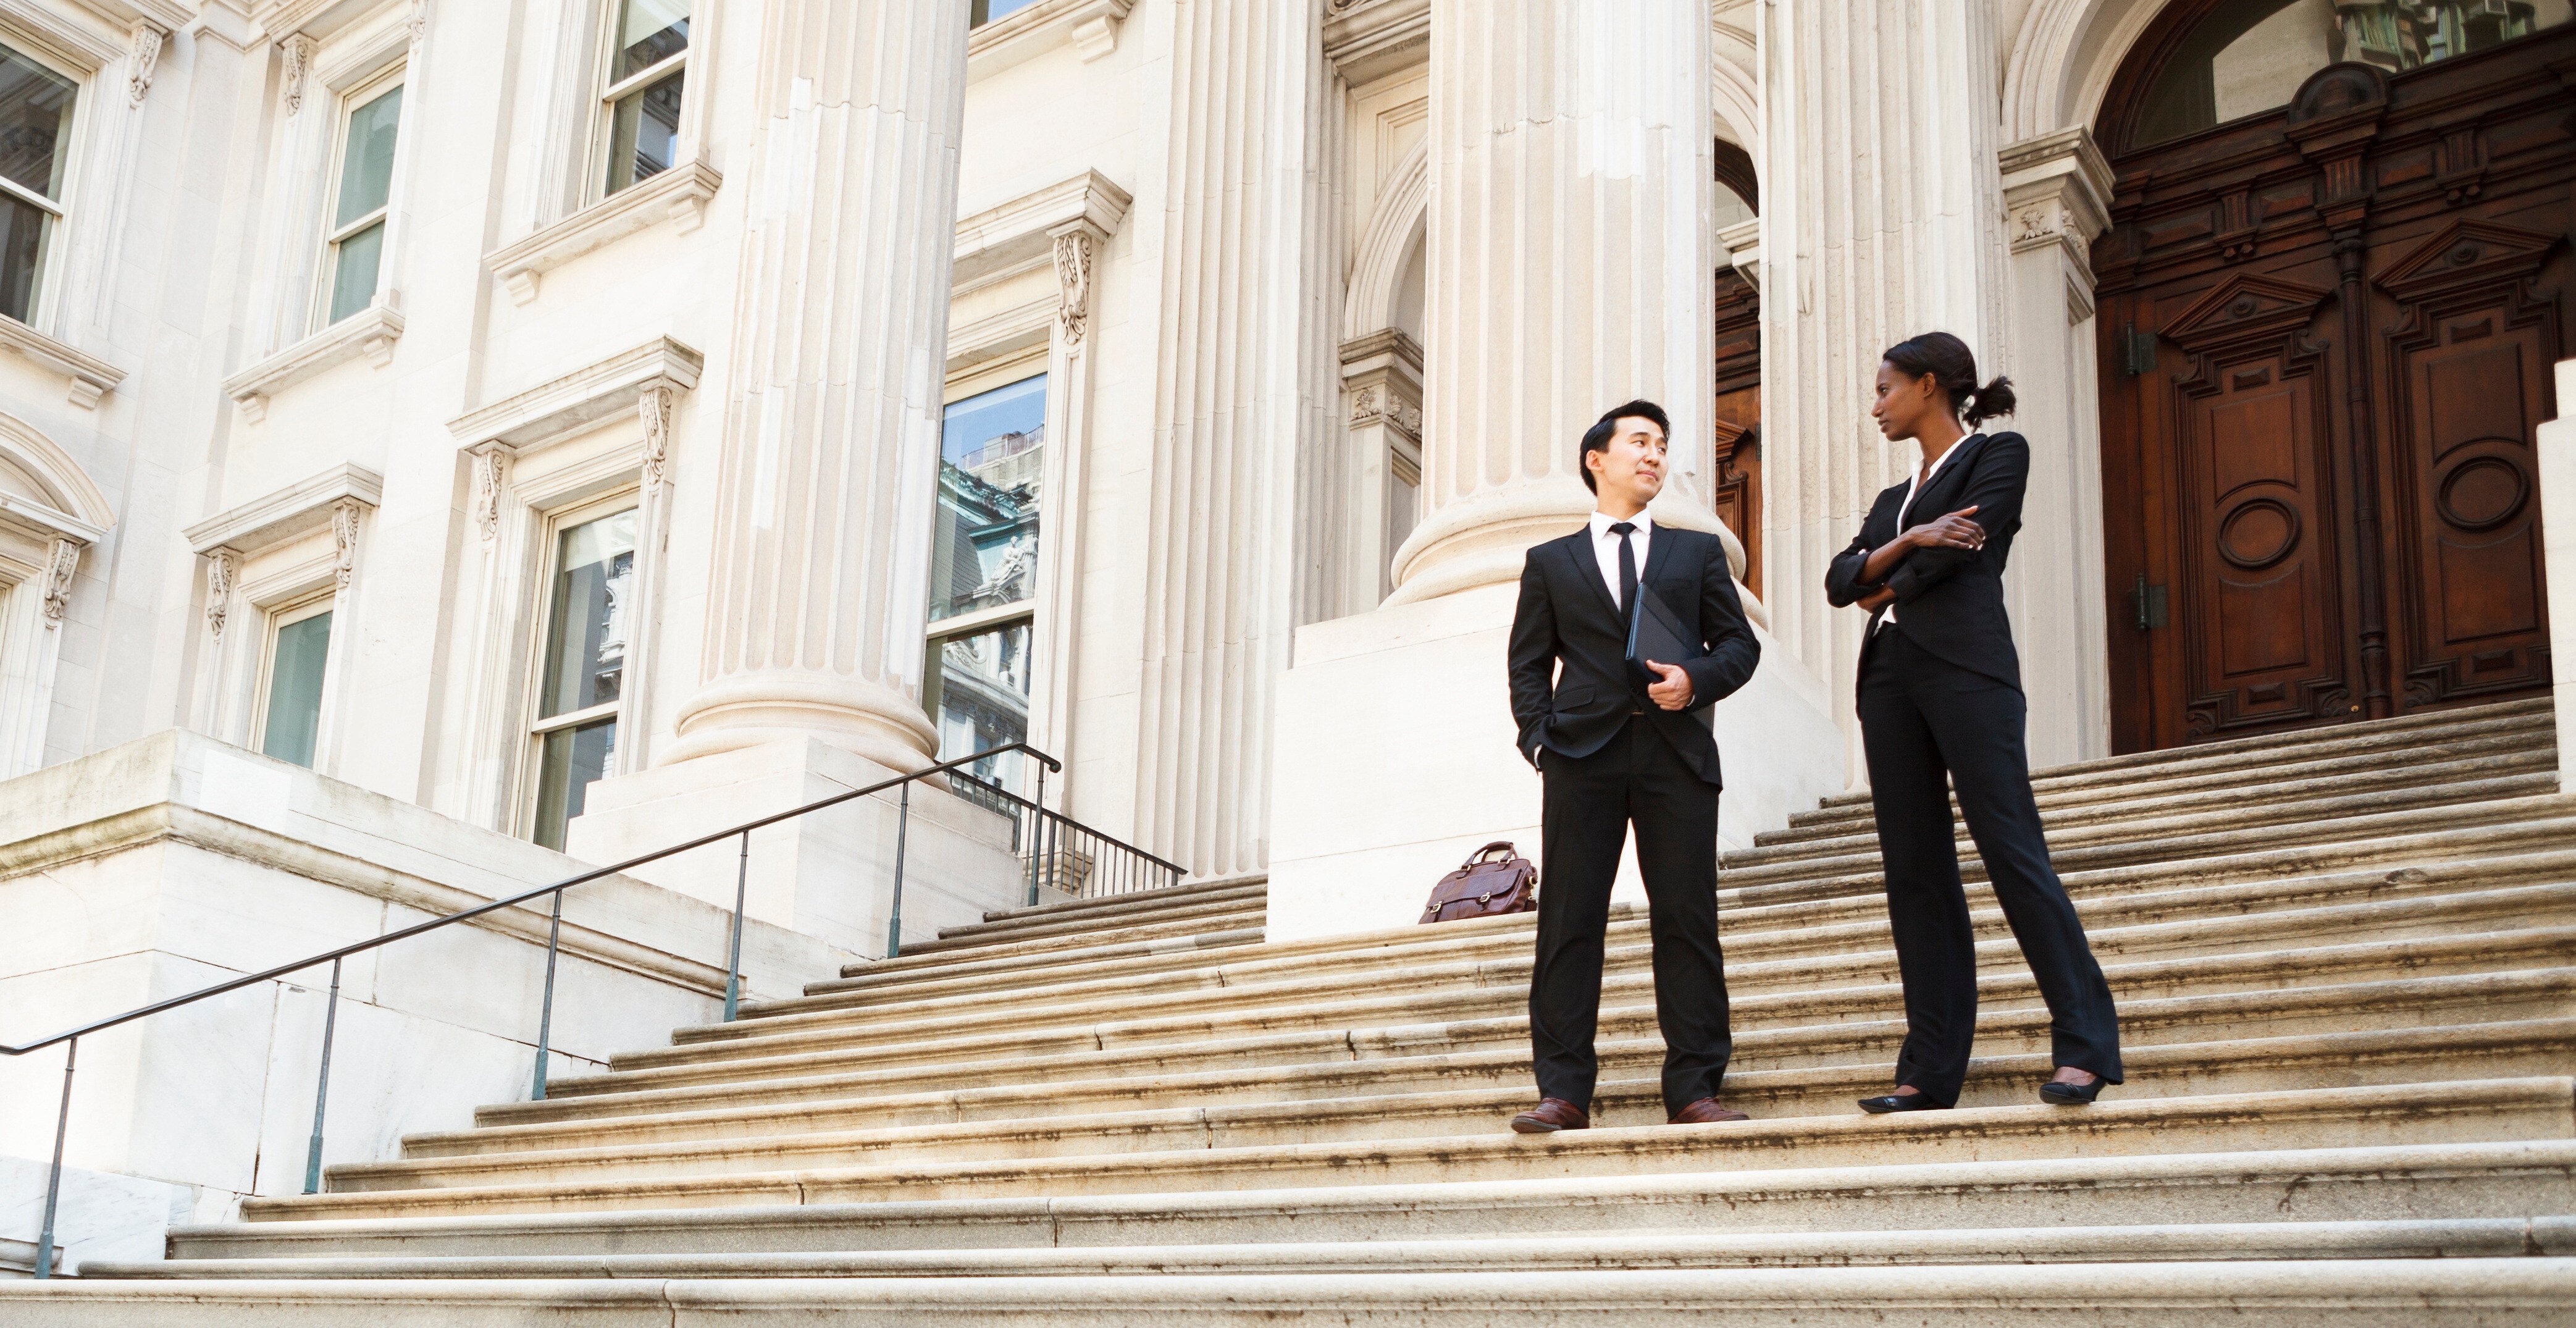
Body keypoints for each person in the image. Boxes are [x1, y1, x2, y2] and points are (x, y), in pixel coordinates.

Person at [1824, 332, 2123, 1113]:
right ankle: (1929, 1067)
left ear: (1927, 385)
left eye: (1885, 388)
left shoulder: (1999, 454)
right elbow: (1835, 581)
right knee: (1913, 871)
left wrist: (1885, 572)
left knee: (2011, 846)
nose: (1876, 404)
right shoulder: (1895, 501)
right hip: (1886, 681)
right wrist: (1914, 536)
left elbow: (1959, 553)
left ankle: (2085, 1044)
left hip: (1966, 670)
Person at [1504, 400, 1763, 1133]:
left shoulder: (1695, 553)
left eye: (1661, 445)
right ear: (1598, 459)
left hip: (1675, 754)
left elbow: (1738, 647)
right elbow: (1527, 664)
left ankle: (1694, 1086)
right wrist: (1539, 739)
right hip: (1580, 756)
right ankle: (1563, 1090)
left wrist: (1696, 681)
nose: (1653, 455)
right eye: (1639, 442)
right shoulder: (1549, 562)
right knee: (1567, 921)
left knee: (1686, 918)